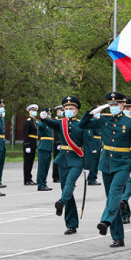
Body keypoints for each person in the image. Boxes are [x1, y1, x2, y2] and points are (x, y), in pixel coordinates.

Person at [80, 93, 131, 246]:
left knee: (115, 192)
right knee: (111, 199)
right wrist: (93, 112)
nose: (113, 107)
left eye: (116, 104)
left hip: (123, 163)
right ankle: (118, 237)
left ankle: (105, 221)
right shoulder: (104, 120)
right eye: (110, 105)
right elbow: (82, 125)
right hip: (106, 162)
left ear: (121, 105)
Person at [41, 96, 91, 236]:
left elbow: (87, 145)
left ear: (76, 111)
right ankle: (71, 224)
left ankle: (61, 202)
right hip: (63, 159)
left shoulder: (81, 124)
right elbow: (51, 123)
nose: (68, 111)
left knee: (70, 183)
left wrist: (87, 166)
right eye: (66, 109)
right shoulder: (61, 123)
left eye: (71, 109)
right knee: (66, 190)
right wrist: (44, 118)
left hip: (77, 159)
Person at [36, 107, 54, 191]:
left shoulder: (49, 124)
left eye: (50, 114)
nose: (49, 115)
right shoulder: (42, 124)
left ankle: (44, 182)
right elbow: (39, 126)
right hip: (43, 147)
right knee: (42, 167)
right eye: (48, 114)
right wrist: (42, 119)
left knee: (46, 166)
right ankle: (40, 184)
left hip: (49, 147)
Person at [23, 104, 39, 185]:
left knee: (31, 162)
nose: (34, 112)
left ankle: (29, 178)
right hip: (29, 144)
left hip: (33, 144)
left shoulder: (34, 121)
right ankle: (27, 179)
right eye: (32, 111)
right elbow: (25, 134)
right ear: (29, 111)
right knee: (27, 163)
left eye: (35, 111)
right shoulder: (28, 121)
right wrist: (27, 145)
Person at [52, 105, 63, 183]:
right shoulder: (55, 120)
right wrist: (58, 142)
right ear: (57, 111)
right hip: (57, 143)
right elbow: (56, 133)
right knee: (56, 160)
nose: (62, 112)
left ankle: (60, 176)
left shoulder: (63, 120)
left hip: (63, 143)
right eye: (61, 111)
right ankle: (56, 177)